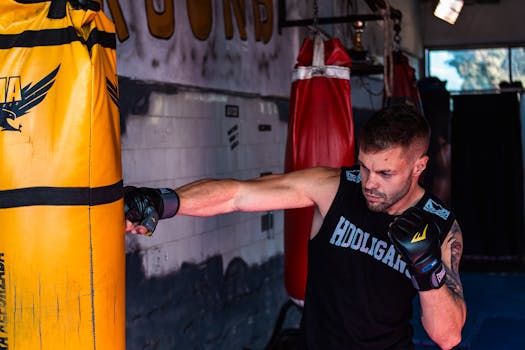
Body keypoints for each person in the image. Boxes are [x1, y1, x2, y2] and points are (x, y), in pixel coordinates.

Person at [124, 104, 466, 350]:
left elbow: (447, 337)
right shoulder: (333, 187)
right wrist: (162, 202)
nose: (369, 183)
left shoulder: (439, 226)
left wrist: (426, 266)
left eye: (385, 173)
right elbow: (238, 195)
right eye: (364, 167)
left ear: (419, 166)